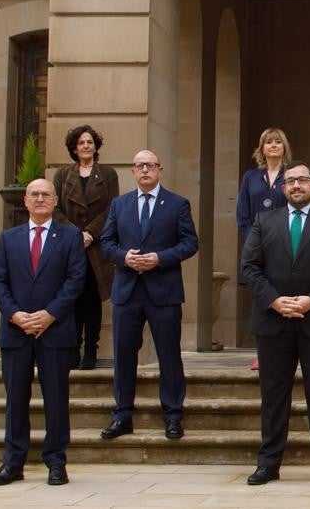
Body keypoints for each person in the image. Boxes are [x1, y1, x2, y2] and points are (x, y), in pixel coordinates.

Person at [239, 160, 310, 486]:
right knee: (273, 398)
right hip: (273, 323)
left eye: (302, 180)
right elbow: (250, 266)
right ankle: (268, 464)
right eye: (290, 181)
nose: (296, 186)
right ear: (283, 188)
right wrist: (275, 301)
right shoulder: (264, 221)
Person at [0, 178, 86, 487]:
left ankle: (56, 461)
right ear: (26, 202)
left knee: (56, 398)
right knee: (15, 399)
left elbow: (75, 281)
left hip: (54, 331)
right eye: (35, 194)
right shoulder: (8, 238)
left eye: (46, 194)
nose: (40, 199)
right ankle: (13, 462)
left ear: (55, 201)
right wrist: (16, 315)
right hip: (16, 332)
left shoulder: (69, 237)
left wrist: (49, 314)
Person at [99, 149, 199, 441]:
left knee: (169, 355)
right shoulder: (119, 205)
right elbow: (106, 243)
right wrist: (123, 257)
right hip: (127, 291)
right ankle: (122, 415)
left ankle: (172, 415)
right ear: (133, 171)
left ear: (160, 169)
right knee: (124, 356)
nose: (145, 170)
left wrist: (160, 258)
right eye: (140, 166)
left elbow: (190, 243)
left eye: (150, 165)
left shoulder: (177, 204)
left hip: (163, 291)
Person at [52, 124, 119, 370]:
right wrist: (74, 234)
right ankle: (73, 348)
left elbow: (112, 208)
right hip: (69, 247)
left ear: (96, 146)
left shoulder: (108, 174)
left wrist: (90, 233)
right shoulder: (62, 175)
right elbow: (55, 208)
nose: (86, 146)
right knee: (71, 298)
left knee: (92, 299)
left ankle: (91, 349)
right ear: (74, 148)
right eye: (81, 143)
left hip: (96, 247)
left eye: (90, 142)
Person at [236, 127, 292, 371]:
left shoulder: (291, 174)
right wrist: (254, 242)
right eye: (268, 142)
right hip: (256, 247)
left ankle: (288, 352)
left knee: (286, 296)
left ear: (284, 147)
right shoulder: (250, 177)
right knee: (262, 300)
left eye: (278, 142)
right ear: (261, 148)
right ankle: (261, 353)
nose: (273, 146)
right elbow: (242, 215)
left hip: (287, 246)